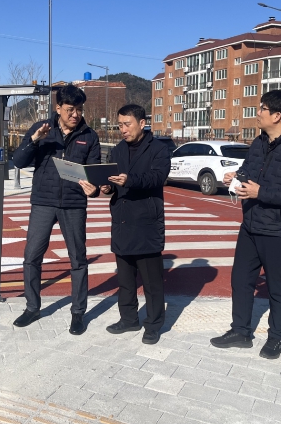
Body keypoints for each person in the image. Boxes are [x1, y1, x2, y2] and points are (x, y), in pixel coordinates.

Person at [210, 89, 281, 359]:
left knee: (277, 287)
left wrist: (261, 193)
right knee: (240, 280)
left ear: (277, 116)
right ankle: (240, 331)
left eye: (262, 109)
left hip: (279, 231)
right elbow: (249, 171)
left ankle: (278, 337)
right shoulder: (259, 143)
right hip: (250, 225)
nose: (257, 113)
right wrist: (236, 176)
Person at [11, 84, 100, 335]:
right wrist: (34, 140)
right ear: (58, 107)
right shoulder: (42, 129)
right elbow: (18, 161)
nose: (75, 114)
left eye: (79, 109)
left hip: (74, 204)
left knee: (78, 260)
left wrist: (93, 189)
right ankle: (32, 307)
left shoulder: (89, 136)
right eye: (70, 109)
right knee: (32, 257)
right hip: (43, 202)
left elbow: (94, 173)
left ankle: (78, 313)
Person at [81, 104, 171, 345]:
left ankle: (153, 325)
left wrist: (129, 180)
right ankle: (129, 319)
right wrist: (103, 187)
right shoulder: (118, 150)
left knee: (152, 282)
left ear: (142, 123)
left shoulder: (159, 150)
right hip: (121, 220)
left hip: (146, 223)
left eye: (127, 124)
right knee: (125, 279)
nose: (123, 129)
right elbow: (111, 184)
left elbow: (157, 177)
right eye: (120, 125)